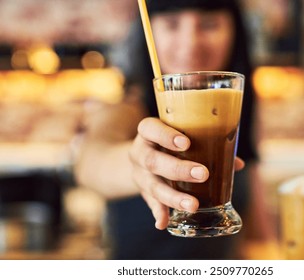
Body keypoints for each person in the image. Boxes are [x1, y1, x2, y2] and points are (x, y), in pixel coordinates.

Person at [75, 0, 271, 259]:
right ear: (150, 32)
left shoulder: (235, 112)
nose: (191, 43)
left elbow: (256, 231)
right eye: (171, 24)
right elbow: (91, 160)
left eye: (210, 24)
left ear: (236, 31)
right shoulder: (127, 110)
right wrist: (138, 164)